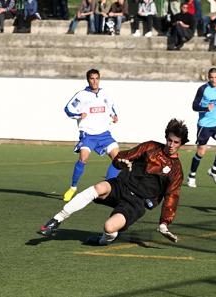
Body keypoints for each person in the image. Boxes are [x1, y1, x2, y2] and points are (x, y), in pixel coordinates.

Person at [39, 118, 189, 246]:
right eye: (169, 140)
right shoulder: (150, 147)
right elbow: (122, 157)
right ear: (166, 137)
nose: (171, 145)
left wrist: (164, 223)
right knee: (99, 187)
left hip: (136, 203)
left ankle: (103, 240)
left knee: (109, 227)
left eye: (176, 142)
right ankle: (56, 219)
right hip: (121, 186)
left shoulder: (176, 170)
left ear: (181, 144)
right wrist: (121, 163)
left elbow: (172, 197)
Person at [62, 69, 120, 202]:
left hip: (104, 134)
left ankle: (108, 188)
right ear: (88, 80)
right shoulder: (82, 95)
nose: (95, 81)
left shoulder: (105, 94)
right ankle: (73, 187)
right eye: (92, 79)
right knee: (83, 159)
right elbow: (68, 109)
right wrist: (78, 115)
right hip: (88, 135)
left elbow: (111, 108)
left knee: (118, 160)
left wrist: (114, 116)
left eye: (97, 78)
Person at [187, 68, 216, 188]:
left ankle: (214, 170)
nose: (214, 80)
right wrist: (206, 108)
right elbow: (194, 106)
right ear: (208, 77)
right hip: (204, 125)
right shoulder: (203, 89)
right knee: (201, 152)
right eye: (212, 77)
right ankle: (192, 175)